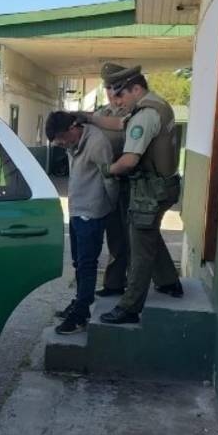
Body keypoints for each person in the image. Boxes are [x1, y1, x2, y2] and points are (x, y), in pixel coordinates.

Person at [83, 65, 184, 325]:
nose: (117, 102)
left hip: (152, 189)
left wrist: (108, 169)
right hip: (163, 185)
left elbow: (129, 160)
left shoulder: (144, 115)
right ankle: (169, 281)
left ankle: (129, 308)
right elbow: (117, 122)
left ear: (136, 89)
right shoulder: (154, 105)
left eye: (120, 96)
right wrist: (89, 117)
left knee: (140, 248)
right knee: (148, 234)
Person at [46, 111, 118, 334]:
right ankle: (79, 300)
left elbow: (110, 179)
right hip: (77, 210)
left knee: (87, 264)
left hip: (93, 213)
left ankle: (81, 313)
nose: (63, 145)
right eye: (59, 143)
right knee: (78, 262)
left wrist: (110, 206)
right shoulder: (73, 144)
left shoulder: (97, 143)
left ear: (72, 128)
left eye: (63, 139)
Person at [93, 62, 132, 297]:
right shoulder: (101, 114)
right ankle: (115, 283)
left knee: (137, 238)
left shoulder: (133, 113)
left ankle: (148, 282)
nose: (111, 92)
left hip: (130, 182)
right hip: (108, 183)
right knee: (115, 235)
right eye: (107, 86)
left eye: (115, 86)